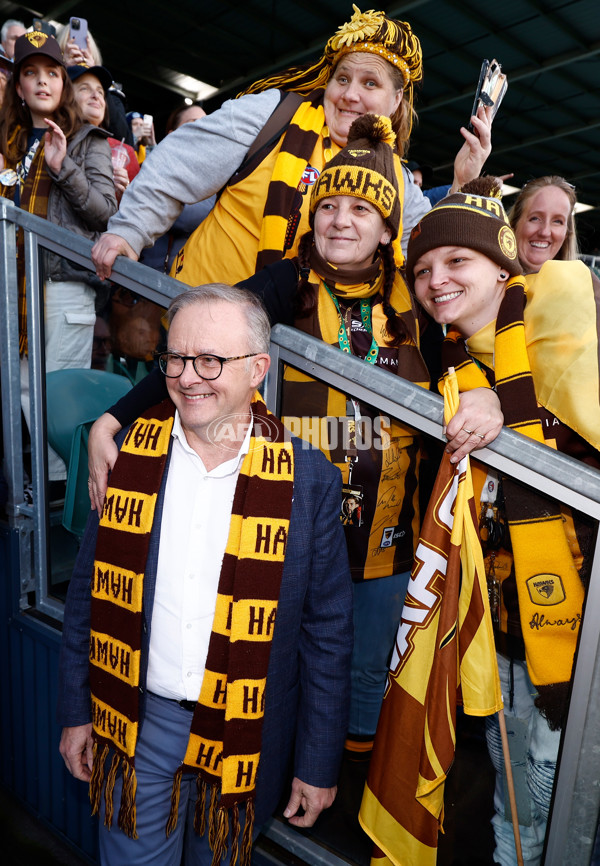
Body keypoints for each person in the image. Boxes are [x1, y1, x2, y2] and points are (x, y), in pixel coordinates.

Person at [85, 116, 502, 757]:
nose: (340, 220)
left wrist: (486, 392)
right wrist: (116, 417)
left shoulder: (417, 296)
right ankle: (290, 776)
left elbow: (470, 354)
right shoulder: (285, 282)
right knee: (286, 664)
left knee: (364, 672)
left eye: (361, 208)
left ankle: (335, 789)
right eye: (328, 205)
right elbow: (205, 342)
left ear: (389, 228)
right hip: (287, 527)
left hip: (386, 543)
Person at [57, 283, 353, 866]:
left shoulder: (309, 479)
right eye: (176, 358)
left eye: (213, 360)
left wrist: (317, 765)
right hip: (133, 722)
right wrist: (75, 712)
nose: (189, 377)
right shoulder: (127, 463)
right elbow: (88, 600)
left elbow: (327, 634)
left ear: (257, 371)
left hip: (247, 735)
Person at [406, 176, 600, 865]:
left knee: (555, 769)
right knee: (508, 758)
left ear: (504, 261)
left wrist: (492, 403)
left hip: (577, 605)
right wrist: (480, 390)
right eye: (424, 270)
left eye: (458, 261)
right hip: (497, 602)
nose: (437, 280)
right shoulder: (452, 359)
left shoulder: (564, 310)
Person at [90, 5, 494, 287]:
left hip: (287, 356)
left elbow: (428, 252)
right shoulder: (272, 113)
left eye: (370, 83)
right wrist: (129, 232)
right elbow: (176, 164)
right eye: (342, 78)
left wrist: (462, 181)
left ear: (396, 102)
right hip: (194, 322)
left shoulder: (397, 181)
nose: (350, 94)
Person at [0, 31, 117, 487]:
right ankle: (49, 495)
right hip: (17, 288)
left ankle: (64, 502)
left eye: (52, 73)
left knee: (57, 397)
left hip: (63, 286)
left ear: (63, 84)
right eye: (31, 73)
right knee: (27, 394)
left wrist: (62, 166)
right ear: (20, 86)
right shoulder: (8, 143)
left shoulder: (89, 139)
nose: (43, 82)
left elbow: (104, 213)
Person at [139, 102, 215, 274]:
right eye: (194, 122)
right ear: (172, 135)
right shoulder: (153, 168)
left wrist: (155, 201)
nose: (203, 128)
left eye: (208, 122)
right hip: (144, 279)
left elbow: (187, 217)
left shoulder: (215, 173)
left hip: (186, 283)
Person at [67, 63, 139, 199]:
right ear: (66, 96)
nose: (96, 96)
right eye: (85, 89)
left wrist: (126, 194)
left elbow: (141, 211)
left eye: (100, 91)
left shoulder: (125, 151)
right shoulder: (53, 140)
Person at [509, 175, 578, 274]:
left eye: (557, 221)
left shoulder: (590, 287)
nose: (545, 232)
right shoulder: (486, 281)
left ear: (566, 233)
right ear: (513, 225)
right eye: (535, 218)